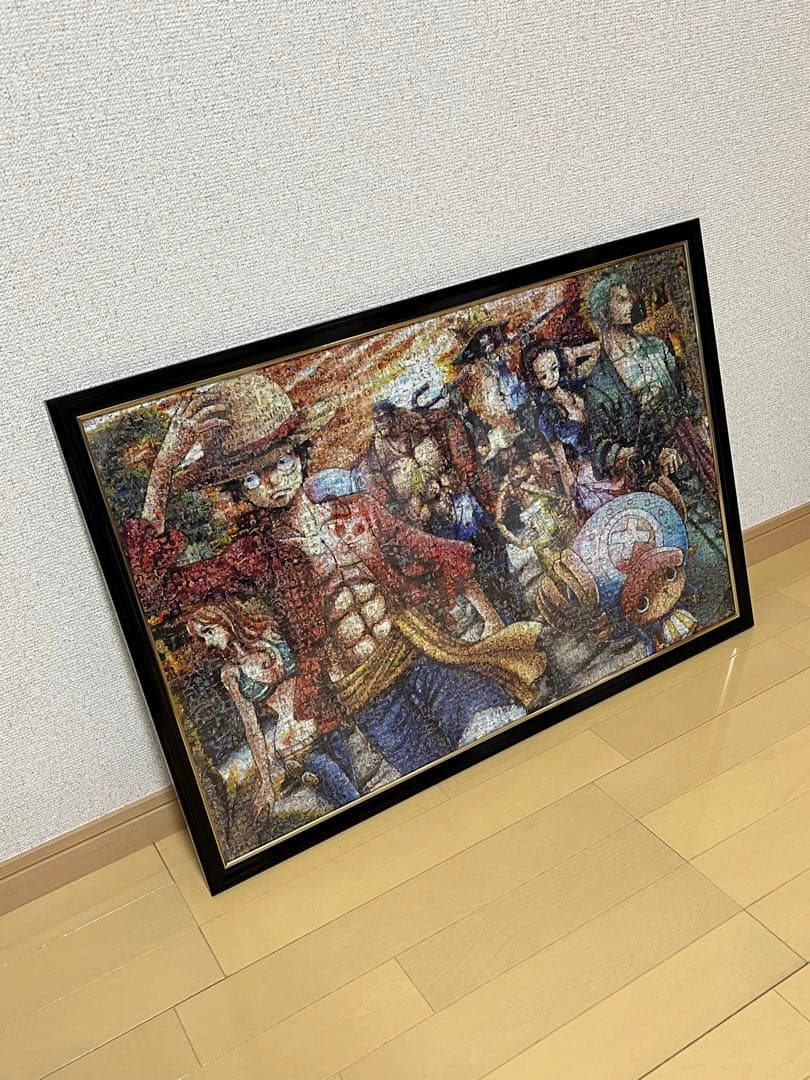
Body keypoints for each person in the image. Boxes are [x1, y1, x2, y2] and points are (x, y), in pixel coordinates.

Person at [122, 373, 547, 780]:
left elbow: (434, 552)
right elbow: (152, 592)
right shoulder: (254, 557)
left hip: (420, 652)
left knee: (492, 731)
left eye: (281, 462)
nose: (272, 482)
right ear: (240, 489)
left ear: (300, 455)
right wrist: (162, 469)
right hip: (363, 695)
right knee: (434, 782)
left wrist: (489, 616)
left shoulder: (357, 510)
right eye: (253, 476)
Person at [583, 272, 730, 623]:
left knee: (718, 510)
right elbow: (601, 451)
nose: (630, 303)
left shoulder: (657, 347)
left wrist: (701, 428)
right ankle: (712, 604)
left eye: (629, 296)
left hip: (692, 448)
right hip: (655, 475)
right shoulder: (598, 384)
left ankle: (734, 586)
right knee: (687, 538)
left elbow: (686, 397)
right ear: (604, 309)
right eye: (620, 299)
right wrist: (647, 456)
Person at [186, 597, 361, 813]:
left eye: (208, 632)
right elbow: (252, 730)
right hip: (296, 744)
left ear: (224, 620)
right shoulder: (231, 673)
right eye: (202, 637)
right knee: (349, 797)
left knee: (354, 793)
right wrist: (266, 784)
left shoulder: (272, 633)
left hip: (326, 722)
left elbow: (313, 665)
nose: (208, 642)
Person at [518, 339, 623, 520]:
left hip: (615, 450)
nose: (552, 377)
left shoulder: (577, 384)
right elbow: (562, 463)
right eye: (543, 376)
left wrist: (574, 352)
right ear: (535, 380)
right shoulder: (546, 418)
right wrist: (572, 498)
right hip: (593, 471)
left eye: (554, 368)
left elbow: (603, 347)